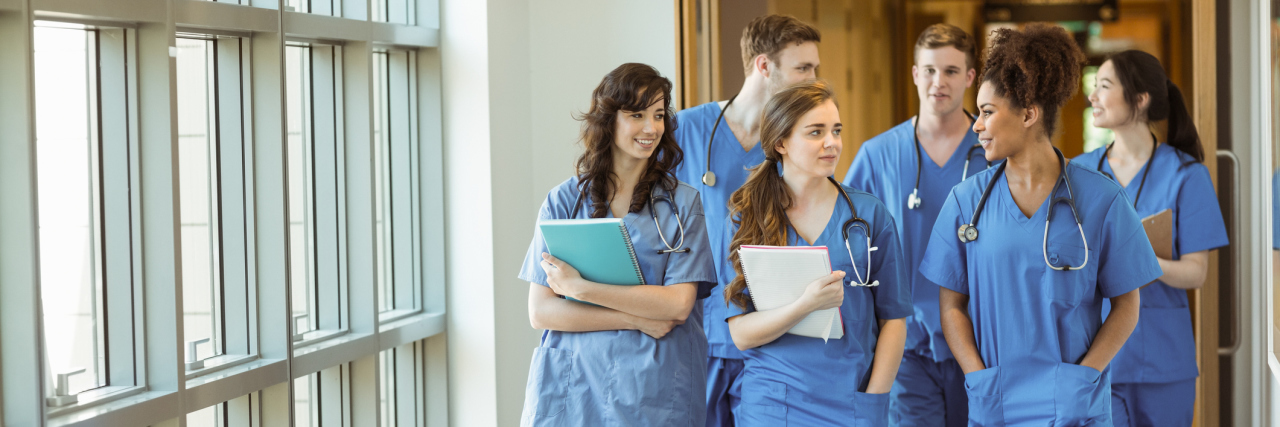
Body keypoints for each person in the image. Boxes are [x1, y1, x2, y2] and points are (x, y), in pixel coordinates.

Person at [919, 24, 1163, 425]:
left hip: (1074, 407)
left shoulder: (1101, 199)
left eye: (987, 112)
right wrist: (978, 377)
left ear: (1029, 114)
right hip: (997, 403)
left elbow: (1127, 304)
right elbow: (952, 306)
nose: (976, 125)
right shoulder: (966, 202)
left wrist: (1083, 377)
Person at [518, 63, 717, 427]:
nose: (651, 128)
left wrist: (582, 289)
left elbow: (677, 305)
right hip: (576, 386)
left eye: (659, 115)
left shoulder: (682, 204)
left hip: (654, 388)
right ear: (609, 120)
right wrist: (635, 317)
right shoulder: (564, 201)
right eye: (637, 115)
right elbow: (541, 311)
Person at [722, 80, 912, 426]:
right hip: (773, 404)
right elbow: (741, 334)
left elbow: (894, 320)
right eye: (816, 132)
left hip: (851, 401)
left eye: (836, 131)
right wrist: (806, 304)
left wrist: (874, 399)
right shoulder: (746, 217)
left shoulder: (869, 215)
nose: (832, 143)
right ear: (781, 143)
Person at [670, 14, 821, 426]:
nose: (814, 80)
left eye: (815, 68)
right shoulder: (686, 131)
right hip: (697, 332)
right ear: (764, 65)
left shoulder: (795, 143)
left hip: (768, 334)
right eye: (803, 68)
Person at [1073, 49, 1228, 427]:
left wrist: (1141, 261)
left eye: (1104, 85)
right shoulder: (1078, 173)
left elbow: (1196, 272)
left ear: (1140, 99)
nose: (1092, 96)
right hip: (1096, 360)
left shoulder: (1187, 174)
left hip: (1163, 365)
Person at [841, 23, 982, 427]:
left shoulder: (993, 153)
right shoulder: (879, 155)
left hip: (982, 341)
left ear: (970, 77)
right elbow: (847, 242)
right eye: (930, 70)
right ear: (916, 74)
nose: (939, 82)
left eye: (951, 71)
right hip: (907, 342)